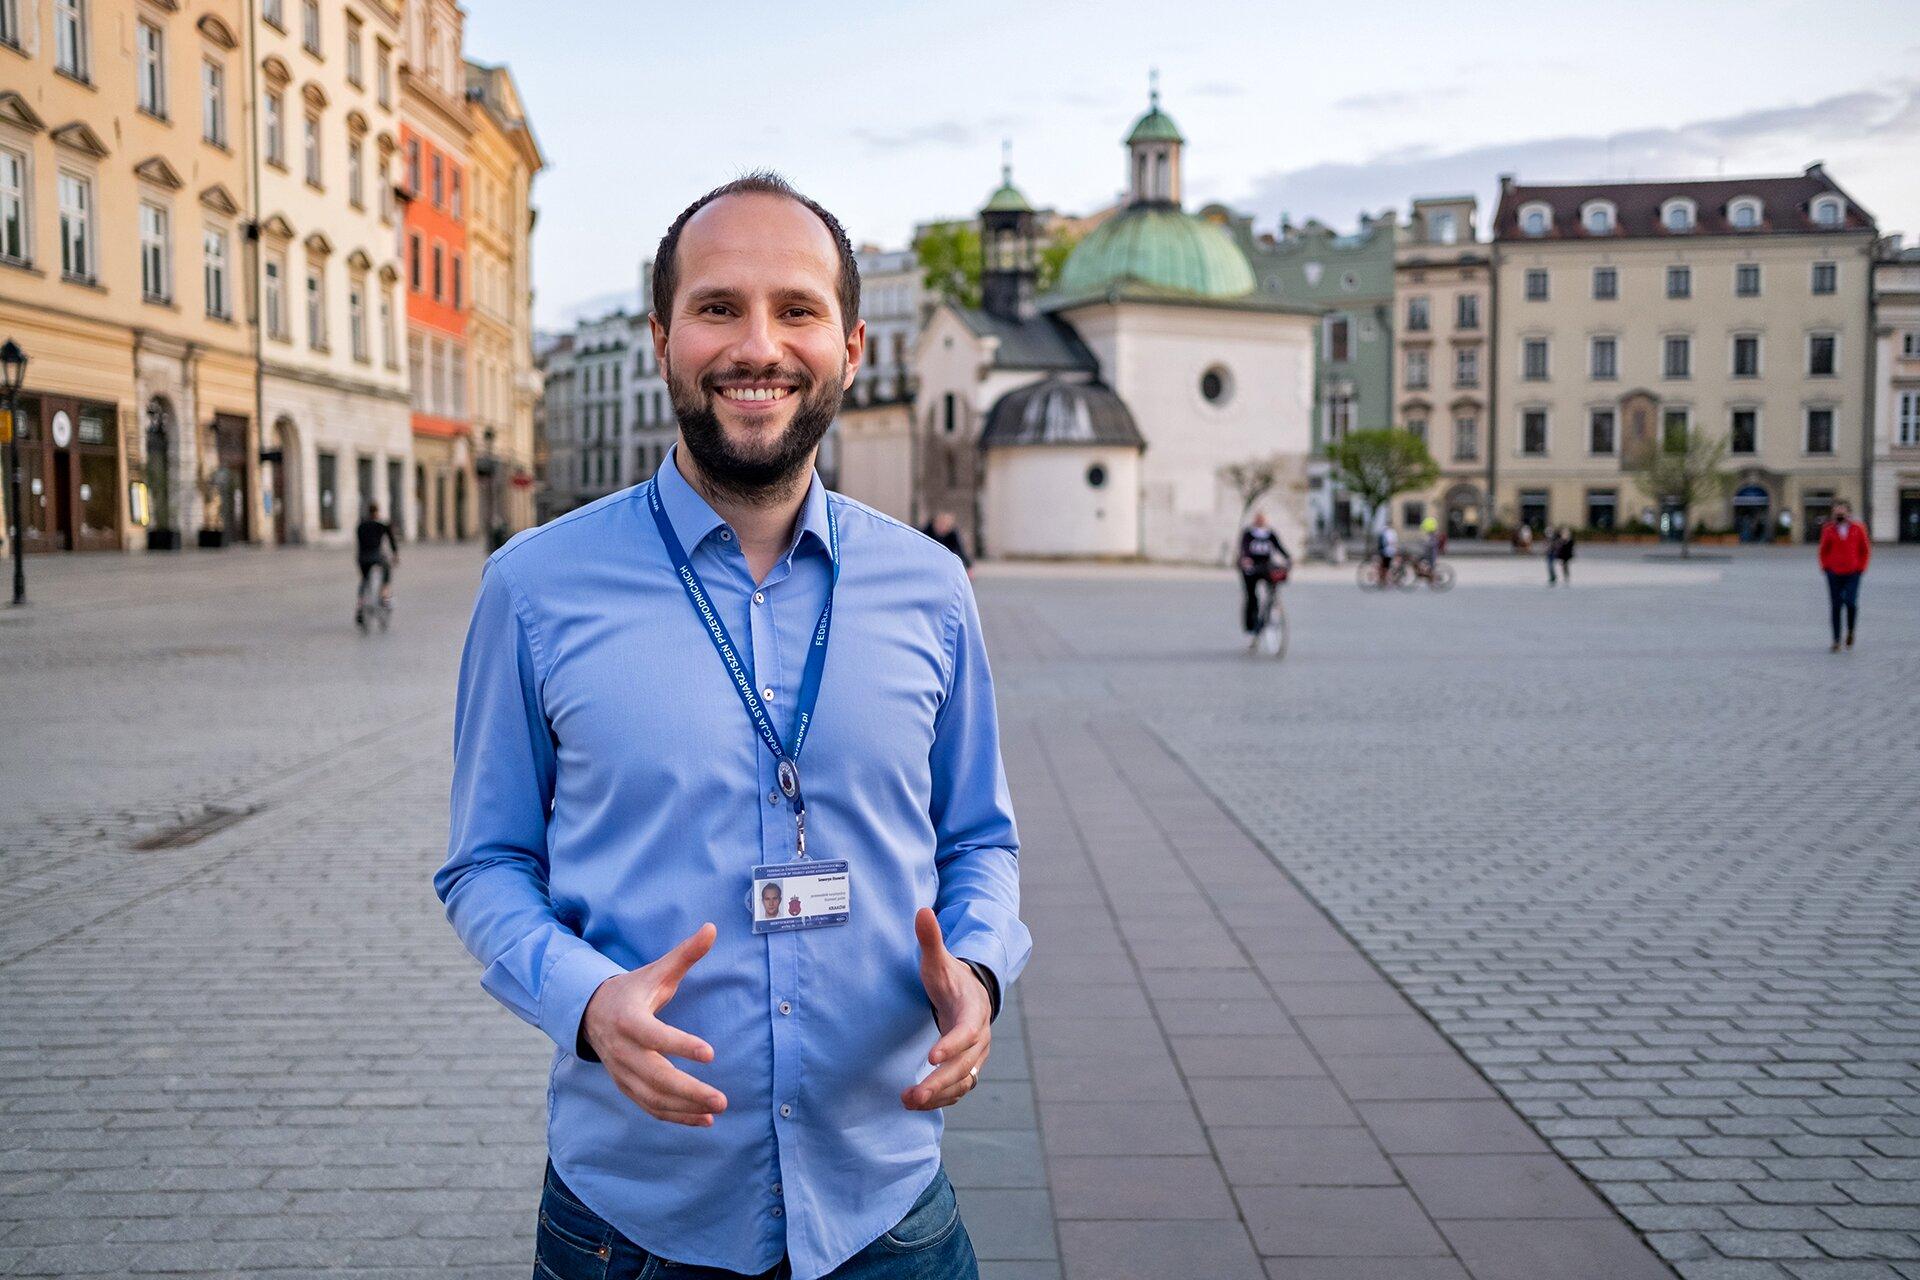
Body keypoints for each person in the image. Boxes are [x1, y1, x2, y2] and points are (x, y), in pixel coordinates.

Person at [437, 172, 1029, 1280]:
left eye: (796, 310)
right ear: (662, 337)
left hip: (886, 1208)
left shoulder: (933, 587)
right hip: (634, 1223)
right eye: (718, 308)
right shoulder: (534, 587)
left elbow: (980, 840)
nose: (759, 344)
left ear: (853, 346)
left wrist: (981, 972)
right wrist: (584, 1002)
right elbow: (485, 862)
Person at [1817, 499, 1870, 651]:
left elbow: (1865, 549)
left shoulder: (1858, 528)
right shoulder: (1828, 529)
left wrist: (1861, 567)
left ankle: (1851, 631)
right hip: (1833, 572)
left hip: (1853, 572)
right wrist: (1825, 567)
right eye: (1836, 511)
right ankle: (1836, 640)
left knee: (1851, 602)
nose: (1839, 514)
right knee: (1836, 605)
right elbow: (1823, 550)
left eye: (1842, 511)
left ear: (1848, 512)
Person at [1237, 511, 1292, 637]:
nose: (1261, 521)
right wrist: (1245, 559)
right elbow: (1244, 548)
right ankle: (1251, 624)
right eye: (1258, 518)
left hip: (1266, 566)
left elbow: (1279, 547)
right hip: (1252, 567)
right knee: (1252, 596)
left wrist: (1288, 557)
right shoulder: (1249, 534)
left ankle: (1270, 608)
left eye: (1263, 519)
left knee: (1273, 585)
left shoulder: (1270, 534)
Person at [354, 502, 398, 624]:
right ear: (377, 513)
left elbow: (360, 542)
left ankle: (360, 604)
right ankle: (384, 597)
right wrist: (395, 555)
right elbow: (391, 541)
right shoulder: (381, 525)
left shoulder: (361, 526)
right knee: (386, 571)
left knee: (364, 579)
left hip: (362, 557)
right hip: (376, 556)